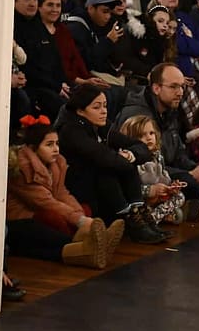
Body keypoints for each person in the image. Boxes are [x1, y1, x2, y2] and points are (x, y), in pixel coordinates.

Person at [7, 116, 122, 268]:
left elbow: (61, 193)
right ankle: (88, 246)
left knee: (84, 209)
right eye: (49, 144)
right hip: (19, 220)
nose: (56, 149)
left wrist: (80, 215)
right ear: (34, 147)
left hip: (40, 211)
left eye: (57, 144)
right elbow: (44, 202)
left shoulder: (55, 163)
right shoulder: (21, 168)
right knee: (54, 223)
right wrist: (80, 221)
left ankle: (94, 244)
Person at [54, 84, 164, 244]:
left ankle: (138, 212)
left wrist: (132, 155)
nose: (104, 111)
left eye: (105, 106)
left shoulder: (101, 125)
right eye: (96, 107)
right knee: (108, 169)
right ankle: (129, 218)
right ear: (80, 110)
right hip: (76, 184)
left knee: (123, 163)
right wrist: (127, 159)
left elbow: (140, 146)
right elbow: (102, 157)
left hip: (97, 182)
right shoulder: (71, 131)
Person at [115, 63, 199, 204]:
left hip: (168, 172)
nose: (180, 92)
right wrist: (189, 174)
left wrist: (196, 169)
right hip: (147, 180)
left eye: (182, 86)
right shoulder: (137, 117)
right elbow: (146, 166)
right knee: (190, 183)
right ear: (156, 88)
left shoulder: (169, 111)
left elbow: (179, 153)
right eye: (173, 86)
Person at [118, 116, 186, 225]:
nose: (149, 138)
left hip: (157, 199)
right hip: (141, 200)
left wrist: (171, 187)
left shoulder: (157, 156)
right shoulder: (132, 160)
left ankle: (154, 216)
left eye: (151, 133)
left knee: (180, 196)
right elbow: (129, 190)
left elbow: (162, 177)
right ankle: (151, 219)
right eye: (141, 135)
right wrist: (151, 190)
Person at [148, 0, 199, 80]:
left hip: (196, 65)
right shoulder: (155, 18)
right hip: (175, 68)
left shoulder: (185, 17)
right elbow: (178, 44)